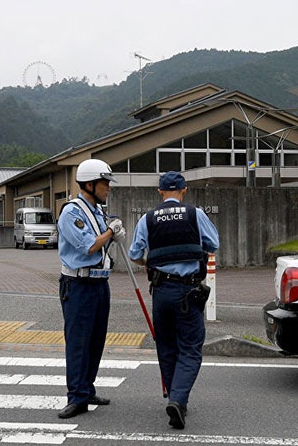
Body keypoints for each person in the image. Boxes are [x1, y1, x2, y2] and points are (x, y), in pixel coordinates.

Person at [128, 171, 219, 429]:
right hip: (188, 292)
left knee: (166, 346)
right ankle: (178, 399)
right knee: (190, 347)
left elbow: (135, 254)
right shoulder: (195, 214)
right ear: (184, 190)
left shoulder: (147, 219)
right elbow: (213, 244)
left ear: (159, 192)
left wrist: (153, 262)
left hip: (161, 292)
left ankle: (175, 396)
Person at [57, 159, 125, 419]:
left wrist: (110, 232)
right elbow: (89, 246)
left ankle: (87, 388)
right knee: (78, 342)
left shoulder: (97, 209)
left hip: (99, 282)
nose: (108, 187)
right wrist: (111, 231)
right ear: (89, 183)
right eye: (104, 182)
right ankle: (76, 397)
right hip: (78, 284)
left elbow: (102, 242)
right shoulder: (72, 212)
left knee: (96, 339)